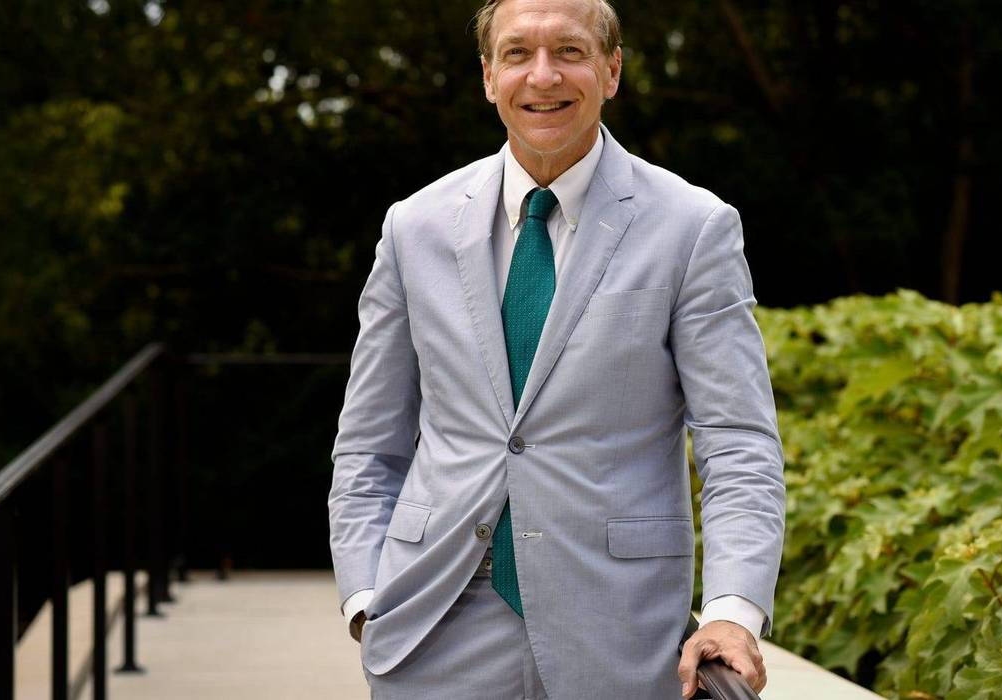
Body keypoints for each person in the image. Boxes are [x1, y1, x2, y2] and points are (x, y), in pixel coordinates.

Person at [327, 0, 785, 696]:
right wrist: (365, 594)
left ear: (611, 70)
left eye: (568, 51)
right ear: (488, 76)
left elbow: (736, 440)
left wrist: (731, 611)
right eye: (517, 54)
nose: (542, 76)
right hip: (429, 627)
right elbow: (369, 442)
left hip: (621, 632)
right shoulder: (413, 227)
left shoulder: (694, 228)